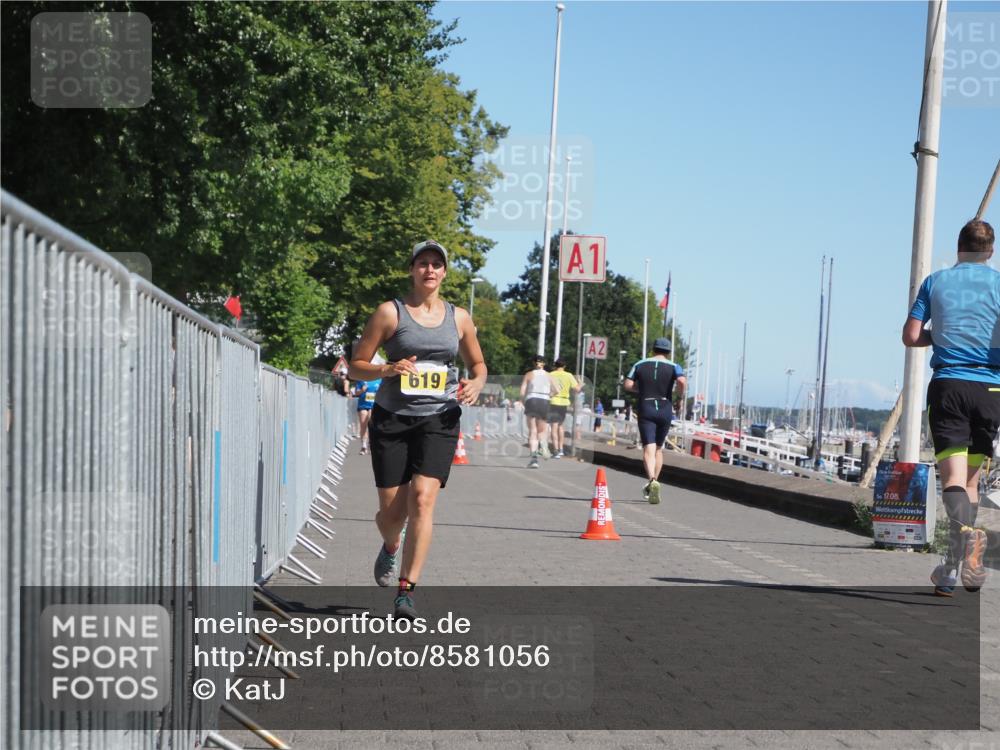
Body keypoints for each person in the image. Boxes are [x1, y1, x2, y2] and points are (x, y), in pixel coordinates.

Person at [349, 239, 487, 619]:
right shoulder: (389, 313)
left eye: (436, 264)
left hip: (438, 419)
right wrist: (386, 370)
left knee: (423, 499)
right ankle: (392, 545)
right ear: (412, 269)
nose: (430, 270)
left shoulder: (459, 318)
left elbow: (478, 364)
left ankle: (406, 590)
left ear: (444, 272)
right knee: (392, 515)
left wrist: (476, 383)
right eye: (423, 263)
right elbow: (355, 365)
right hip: (392, 418)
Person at [902, 219, 997, 596]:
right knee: (971, 483)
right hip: (991, 390)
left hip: (950, 387)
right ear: (989, 252)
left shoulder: (936, 282)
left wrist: (938, 335)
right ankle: (950, 570)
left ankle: (968, 543)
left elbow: (910, 336)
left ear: (959, 247)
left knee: (954, 481)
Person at [624, 337, 686, 504]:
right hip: (665, 408)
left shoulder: (639, 364)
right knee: (658, 449)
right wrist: (680, 397)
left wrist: (641, 389)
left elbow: (627, 385)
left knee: (648, 449)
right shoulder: (675, 366)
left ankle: (652, 480)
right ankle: (654, 482)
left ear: (653, 349)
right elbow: (681, 381)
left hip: (646, 406)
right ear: (669, 352)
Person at [520, 356, 554, 468]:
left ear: (534, 363)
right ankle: (544, 447)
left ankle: (534, 459)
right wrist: (550, 395)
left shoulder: (529, 374)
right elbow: (558, 389)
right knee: (542, 431)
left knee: (533, 431)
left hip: (532, 399)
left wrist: (522, 401)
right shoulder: (549, 376)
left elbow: (522, 390)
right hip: (544, 400)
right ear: (544, 364)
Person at [547, 358, 581, 458]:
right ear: (564, 366)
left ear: (555, 365)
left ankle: (555, 450)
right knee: (560, 426)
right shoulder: (569, 375)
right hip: (564, 403)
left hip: (553, 401)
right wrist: (580, 383)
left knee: (554, 427)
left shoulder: (551, 374)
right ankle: (561, 449)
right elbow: (577, 389)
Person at [352, 377, 381, 454]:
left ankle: (371, 443)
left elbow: (384, 393)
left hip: (374, 405)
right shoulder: (361, 379)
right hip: (363, 405)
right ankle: (363, 445)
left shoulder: (380, 380)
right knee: (363, 424)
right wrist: (362, 390)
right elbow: (356, 393)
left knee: (371, 424)